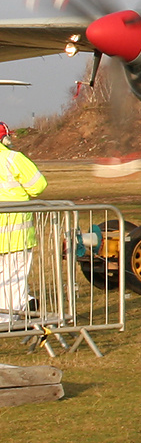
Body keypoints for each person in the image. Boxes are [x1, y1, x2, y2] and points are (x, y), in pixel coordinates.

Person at [0, 123, 47, 323]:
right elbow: (38, 185)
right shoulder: (13, 158)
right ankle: (10, 320)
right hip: (15, 232)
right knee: (16, 277)